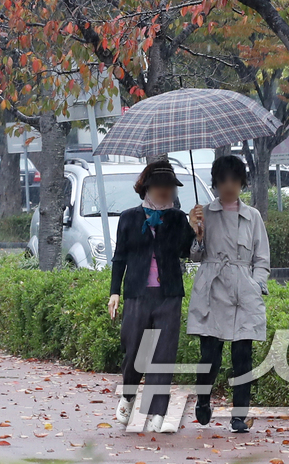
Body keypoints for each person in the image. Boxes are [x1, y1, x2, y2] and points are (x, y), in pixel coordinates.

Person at [108, 159, 196, 432]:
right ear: (147, 187)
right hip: (137, 293)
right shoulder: (129, 218)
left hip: (169, 295)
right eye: (159, 185)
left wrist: (194, 228)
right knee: (135, 350)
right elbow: (119, 257)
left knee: (163, 354)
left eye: (170, 186)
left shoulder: (178, 218)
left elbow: (185, 252)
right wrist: (115, 293)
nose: (165, 191)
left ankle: (158, 411)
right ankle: (129, 394)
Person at [187, 154, 271, 434]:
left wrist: (256, 285)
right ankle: (203, 399)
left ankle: (239, 415)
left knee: (242, 356)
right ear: (216, 182)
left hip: (244, 294)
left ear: (242, 182)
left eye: (234, 179)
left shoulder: (253, 216)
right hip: (212, 291)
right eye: (223, 180)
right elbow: (195, 257)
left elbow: (262, 259)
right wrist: (197, 234)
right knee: (210, 356)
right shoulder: (204, 213)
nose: (229, 185)